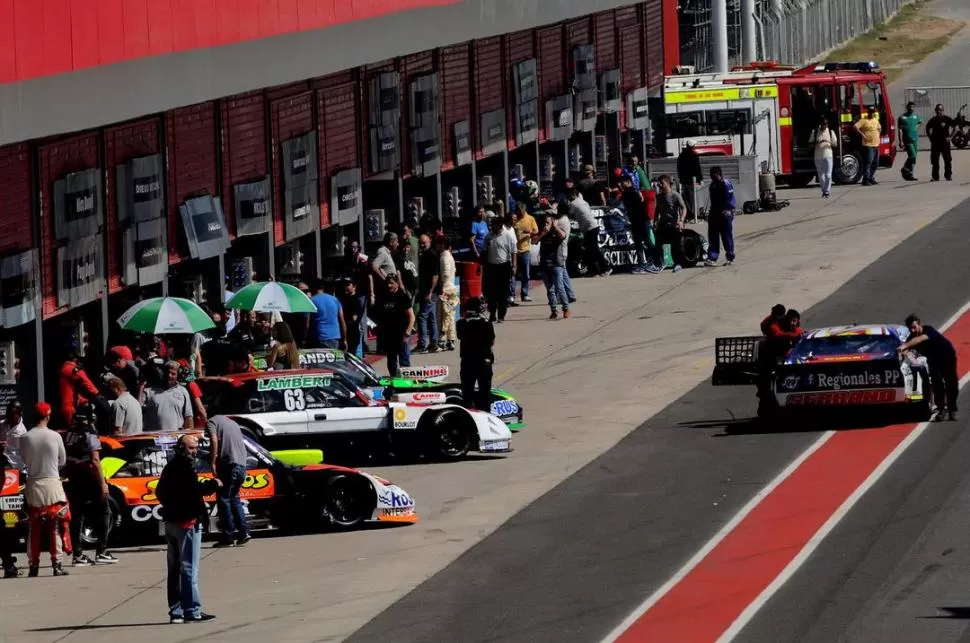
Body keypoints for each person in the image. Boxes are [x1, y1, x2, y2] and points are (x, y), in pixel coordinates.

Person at [156, 434, 221, 623]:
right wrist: (213, 484)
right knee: (189, 568)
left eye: (195, 447)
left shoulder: (170, 467)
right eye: (191, 448)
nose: (195, 451)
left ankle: (176, 612)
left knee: (175, 569)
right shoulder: (186, 468)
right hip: (187, 523)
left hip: (171, 522)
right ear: (181, 448)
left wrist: (172, 507)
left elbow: (160, 492)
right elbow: (195, 491)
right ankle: (192, 611)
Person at [19, 402, 71, 577]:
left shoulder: (25, 437)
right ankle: (57, 564)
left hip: (34, 484)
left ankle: (33, 565)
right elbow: (62, 460)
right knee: (54, 525)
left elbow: (24, 460)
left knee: (33, 527)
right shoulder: (55, 436)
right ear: (48, 416)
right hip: (52, 484)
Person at [63, 404, 116, 566]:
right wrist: (103, 484)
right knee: (105, 511)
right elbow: (95, 460)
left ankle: (78, 555)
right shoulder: (89, 432)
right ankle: (101, 551)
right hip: (90, 478)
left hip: (73, 478)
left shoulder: (69, 432)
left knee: (77, 516)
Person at [898, 314, 958, 421]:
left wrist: (905, 346)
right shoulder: (912, 337)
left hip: (946, 355)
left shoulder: (928, 330)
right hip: (933, 359)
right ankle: (941, 409)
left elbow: (919, 339)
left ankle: (952, 409)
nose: (912, 330)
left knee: (951, 382)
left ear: (919, 324)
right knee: (936, 381)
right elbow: (906, 347)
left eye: (914, 327)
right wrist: (905, 352)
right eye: (910, 328)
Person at [206, 415, 251, 547]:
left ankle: (228, 537)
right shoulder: (233, 423)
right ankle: (244, 533)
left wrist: (212, 462)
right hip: (241, 465)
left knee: (223, 499)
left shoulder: (211, 422)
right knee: (235, 499)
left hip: (229, 465)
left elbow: (214, 440)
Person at [455, 297, 495, 412]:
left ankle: (469, 416)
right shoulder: (487, 323)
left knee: (467, 392)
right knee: (485, 392)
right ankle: (486, 415)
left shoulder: (461, 323)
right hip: (484, 361)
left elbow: (459, 336)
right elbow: (492, 341)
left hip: (468, 361)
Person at [375, 276, 415, 377]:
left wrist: (407, 332)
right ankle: (394, 379)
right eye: (388, 283)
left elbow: (412, 316)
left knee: (404, 361)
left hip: (402, 333)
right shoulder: (383, 297)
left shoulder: (402, 296)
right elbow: (380, 316)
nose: (389, 285)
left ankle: (405, 384)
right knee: (391, 361)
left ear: (397, 283)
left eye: (392, 283)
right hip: (389, 334)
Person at [568, 188, 611, 277]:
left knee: (594, 249)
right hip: (593, 226)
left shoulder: (573, 203)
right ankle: (593, 270)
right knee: (589, 249)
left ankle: (606, 268)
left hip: (589, 228)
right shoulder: (583, 201)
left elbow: (569, 214)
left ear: (573, 194)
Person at [482, 217, 516, 323]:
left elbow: (514, 252)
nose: (492, 227)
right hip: (491, 267)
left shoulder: (508, 236)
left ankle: (501, 315)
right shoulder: (488, 237)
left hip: (504, 266)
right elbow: (485, 252)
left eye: (494, 225)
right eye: (491, 225)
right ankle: (492, 314)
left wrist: (514, 266)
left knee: (502, 293)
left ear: (500, 225)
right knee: (491, 292)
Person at [143, 361, 194, 432]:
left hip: (176, 437)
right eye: (167, 372)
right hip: (153, 438)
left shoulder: (183, 391)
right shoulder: (148, 391)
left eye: (173, 374)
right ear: (163, 372)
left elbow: (188, 417)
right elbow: (139, 413)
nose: (169, 375)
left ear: (177, 376)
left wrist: (189, 435)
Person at [538, 209, 570, 319]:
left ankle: (566, 308)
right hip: (545, 263)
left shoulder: (558, 231)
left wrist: (555, 227)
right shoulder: (543, 232)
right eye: (545, 223)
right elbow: (534, 241)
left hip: (557, 263)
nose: (546, 225)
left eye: (548, 222)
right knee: (549, 289)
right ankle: (553, 310)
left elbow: (563, 236)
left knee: (559, 287)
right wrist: (543, 232)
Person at [344, 240, 374, 355]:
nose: (353, 249)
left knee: (360, 320)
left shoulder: (364, 259)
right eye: (351, 247)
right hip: (353, 292)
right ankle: (359, 345)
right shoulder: (349, 259)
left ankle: (361, 347)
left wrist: (372, 294)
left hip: (362, 292)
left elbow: (370, 276)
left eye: (355, 247)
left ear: (359, 248)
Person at [705, 166, 737, 267]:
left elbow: (729, 199)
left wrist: (729, 211)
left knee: (727, 236)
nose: (711, 176)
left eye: (712, 174)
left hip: (725, 213)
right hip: (714, 213)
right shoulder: (712, 185)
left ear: (717, 174)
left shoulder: (725, 184)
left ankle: (730, 257)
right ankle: (712, 257)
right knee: (713, 236)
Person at [59, 351, 101, 428]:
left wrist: (84, 400)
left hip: (68, 404)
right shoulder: (72, 369)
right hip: (71, 407)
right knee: (76, 430)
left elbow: (72, 390)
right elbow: (86, 382)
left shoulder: (64, 368)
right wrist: (98, 395)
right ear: (75, 359)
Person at [654, 175, 687, 270]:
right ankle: (659, 263)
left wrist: (681, 221)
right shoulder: (659, 197)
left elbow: (683, 208)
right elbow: (657, 210)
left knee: (676, 245)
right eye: (659, 183)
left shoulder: (675, 195)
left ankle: (678, 263)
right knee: (658, 244)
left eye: (662, 183)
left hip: (674, 224)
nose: (659, 185)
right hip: (663, 224)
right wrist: (655, 221)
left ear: (667, 183)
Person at [415, 234, 440, 353]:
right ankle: (434, 343)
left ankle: (422, 344)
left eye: (424, 242)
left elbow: (435, 275)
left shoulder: (432, 255)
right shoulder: (424, 254)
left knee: (422, 316)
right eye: (420, 243)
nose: (422, 245)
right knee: (431, 317)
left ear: (430, 241)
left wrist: (430, 292)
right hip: (426, 291)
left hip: (430, 292)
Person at [436, 236, 458, 352]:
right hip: (451, 289)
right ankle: (451, 339)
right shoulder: (449, 256)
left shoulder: (444, 257)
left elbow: (444, 274)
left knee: (444, 317)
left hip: (446, 290)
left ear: (442, 245)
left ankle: (443, 340)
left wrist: (440, 287)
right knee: (450, 316)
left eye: (438, 244)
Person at [309, 280, 346, 350]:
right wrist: (344, 339)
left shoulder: (311, 300)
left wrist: (304, 339)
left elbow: (307, 323)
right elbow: (342, 321)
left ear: (312, 288)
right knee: (333, 359)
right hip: (334, 337)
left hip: (319, 336)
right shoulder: (335, 300)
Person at [512, 203, 538, 301]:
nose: (519, 213)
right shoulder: (514, 219)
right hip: (514, 251)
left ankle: (525, 294)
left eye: (520, 211)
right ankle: (512, 296)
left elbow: (536, 231)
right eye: (518, 211)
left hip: (525, 250)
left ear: (524, 210)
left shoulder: (530, 219)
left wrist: (529, 233)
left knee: (526, 274)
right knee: (513, 273)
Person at [926, 103, 955, 182]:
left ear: (943, 110)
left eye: (941, 109)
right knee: (935, 160)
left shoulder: (947, 119)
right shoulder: (933, 120)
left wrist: (951, 137)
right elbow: (927, 128)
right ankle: (935, 177)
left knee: (947, 160)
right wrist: (930, 137)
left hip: (945, 143)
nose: (939, 111)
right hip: (935, 143)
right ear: (935, 110)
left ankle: (948, 176)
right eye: (938, 109)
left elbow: (955, 127)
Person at [854, 106, 882, 186]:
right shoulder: (863, 120)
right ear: (868, 112)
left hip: (876, 144)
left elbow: (879, 128)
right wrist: (863, 134)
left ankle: (870, 177)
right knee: (869, 162)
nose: (872, 113)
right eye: (870, 112)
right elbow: (855, 127)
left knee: (875, 163)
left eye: (873, 112)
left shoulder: (875, 120)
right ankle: (865, 180)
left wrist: (878, 135)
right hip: (868, 145)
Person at [676, 142, 703, 222]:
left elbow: (679, 168)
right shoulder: (694, 155)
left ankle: (686, 215)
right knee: (691, 198)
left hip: (683, 180)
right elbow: (697, 168)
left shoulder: (681, 156)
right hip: (691, 181)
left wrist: (680, 177)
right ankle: (692, 215)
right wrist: (700, 179)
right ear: (693, 146)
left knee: (684, 198)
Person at [338, 279, 363, 358]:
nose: (346, 287)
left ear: (354, 287)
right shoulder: (343, 299)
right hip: (344, 332)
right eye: (345, 285)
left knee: (353, 355)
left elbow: (354, 318)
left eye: (348, 285)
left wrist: (345, 321)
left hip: (353, 332)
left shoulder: (356, 300)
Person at [897, 101, 922, 181]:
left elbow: (921, 122)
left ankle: (910, 174)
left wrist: (916, 127)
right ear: (907, 107)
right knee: (912, 156)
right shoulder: (902, 117)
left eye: (913, 107)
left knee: (914, 159)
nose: (911, 108)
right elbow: (900, 130)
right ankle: (904, 168)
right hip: (907, 140)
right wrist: (900, 141)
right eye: (910, 107)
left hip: (914, 139)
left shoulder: (915, 116)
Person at [814, 117, 835, 197]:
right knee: (821, 175)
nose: (824, 126)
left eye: (826, 124)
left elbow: (835, 143)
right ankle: (824, 189)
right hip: (818, 156)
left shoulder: (830, 131)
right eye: (823, 124)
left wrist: (827, 141)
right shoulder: (815, 131)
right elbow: (810, 143)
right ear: (820, 124)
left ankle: (827, 190)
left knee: (828, 175)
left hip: (828, 155)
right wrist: (817, 142)